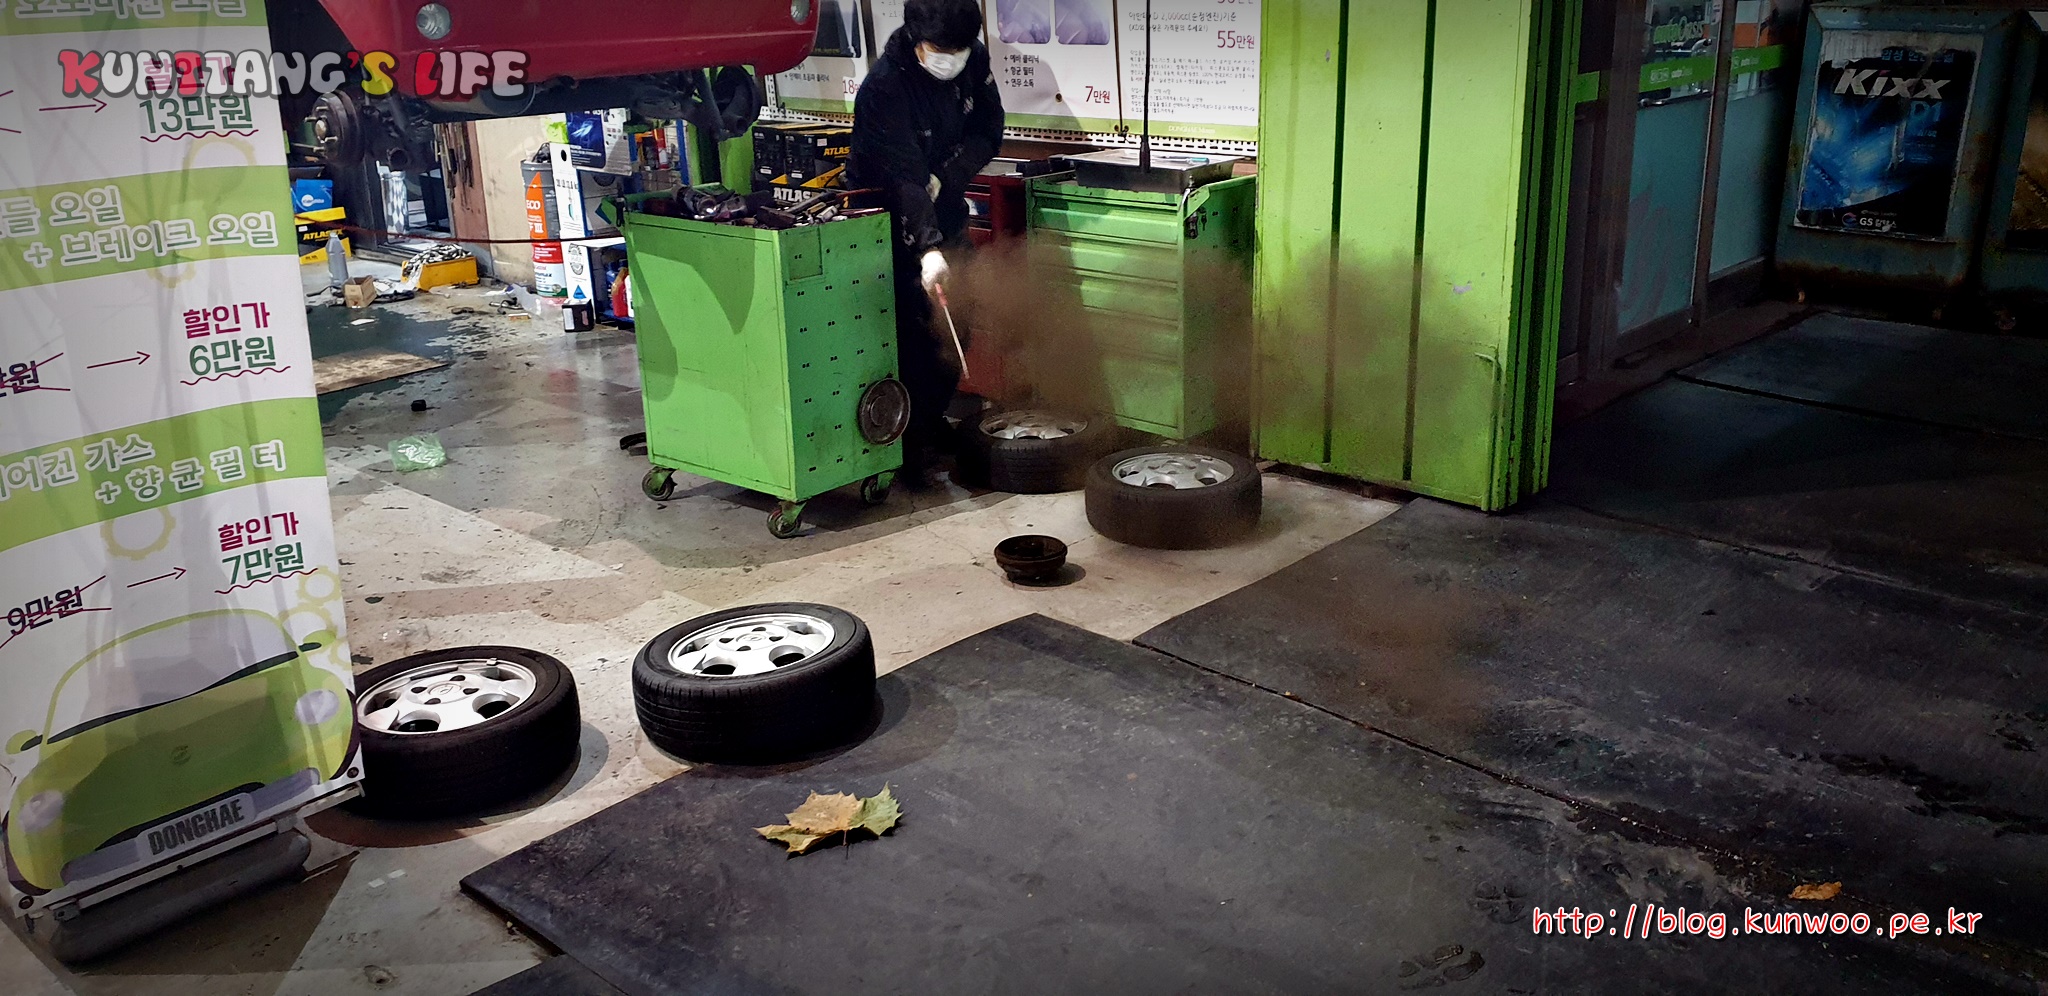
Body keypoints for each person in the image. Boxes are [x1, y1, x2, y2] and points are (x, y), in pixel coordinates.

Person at [848, 0, 1004, 484]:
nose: (950, 59)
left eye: (960, 49)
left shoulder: (972, 60)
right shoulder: (885, 88)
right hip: (886, 218)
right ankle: (904, 446)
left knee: (957, 321)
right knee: (912, 332)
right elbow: (903, 178)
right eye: (941, 49)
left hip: (944, 204)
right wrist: (928, 248)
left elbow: (989, 131)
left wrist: (947, 176)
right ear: (916, 41)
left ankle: (931, 422)